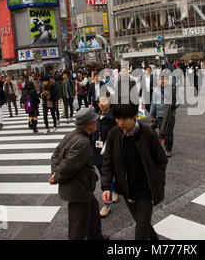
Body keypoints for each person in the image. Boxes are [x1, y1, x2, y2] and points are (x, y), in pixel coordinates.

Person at [101, 104, 168, 240]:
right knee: (142, 224)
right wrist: (106, 187)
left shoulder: (148, 133)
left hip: (145, 192)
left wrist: (157, 180)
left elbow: (161, 160)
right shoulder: (114, 133)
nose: (120, 123)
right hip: (127, 191)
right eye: (117, 118)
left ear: (134, 116)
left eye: (124, 119)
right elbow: (107, 162)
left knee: (140, 234)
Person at [50, 108, 105, 240]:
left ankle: (96, 236)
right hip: (78, 188)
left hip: (79, 186)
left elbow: (56, 155)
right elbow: (69, 165)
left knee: (93, 209)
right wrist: (56, 176)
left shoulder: (72, 135)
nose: (97, 120)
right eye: (94, 119)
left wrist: (54, 172)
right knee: (78, 225)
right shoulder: (83, 143)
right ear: (89, 124)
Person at [91, 95, 118, 218]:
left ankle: (107, 205)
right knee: (105, 176)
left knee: (106, 178)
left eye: (104, 101)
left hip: (110, 153)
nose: (101, 104)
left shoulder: (114, 118)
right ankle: (114, 190)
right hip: (96, 152)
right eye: (99, 102)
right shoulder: (95, 116)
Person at [150, 76, 180, 157]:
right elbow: (153, 103)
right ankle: (163, 147)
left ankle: (168, 149)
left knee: (169, 133)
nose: (163, 81)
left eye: (165, 79)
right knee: (161, 131)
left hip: (170, 114)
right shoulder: (156, 90)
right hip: (159, 114)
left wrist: (174, 105)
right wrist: (151, 114)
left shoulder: (172, 90)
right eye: (161, 79)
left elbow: (179, 100)